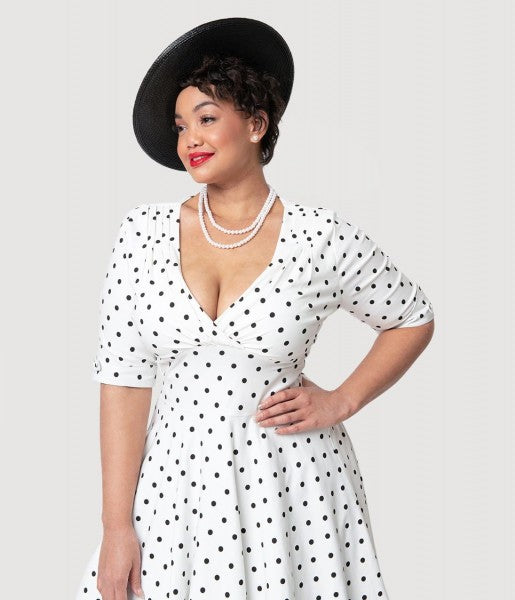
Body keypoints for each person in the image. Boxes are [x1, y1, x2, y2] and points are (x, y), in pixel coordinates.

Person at [75, 17, 435, 600]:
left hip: (293, 488)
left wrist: (343, 399)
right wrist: (116, 527)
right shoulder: (142, 234)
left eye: (206, 118)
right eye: (180, 126)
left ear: (256, 124)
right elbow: (123, 380)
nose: (189, 139)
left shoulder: (319, 236)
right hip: (174, 489)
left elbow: (412, 316)